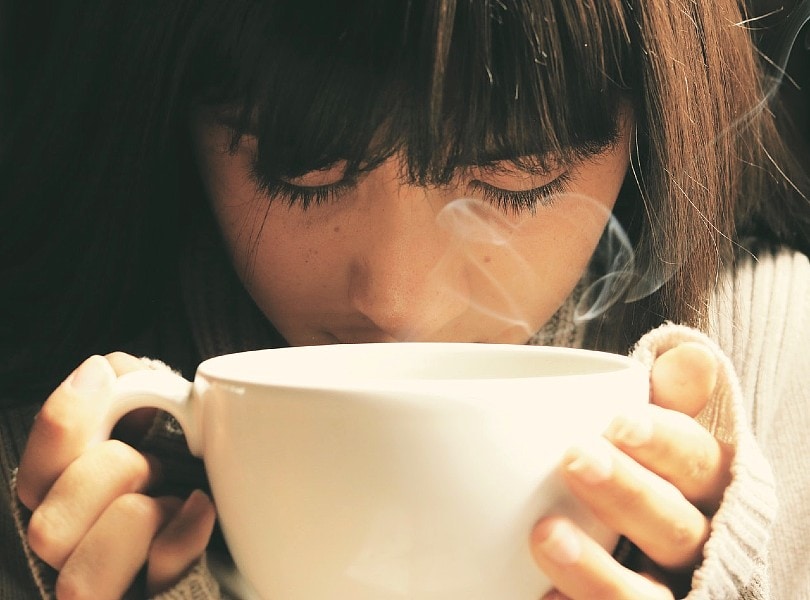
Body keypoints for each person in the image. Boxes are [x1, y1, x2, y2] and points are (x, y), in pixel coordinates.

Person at [1, 0, 808, 598]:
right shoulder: (60, 436)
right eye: (300, 169)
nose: (395, 302)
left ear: (650, 128)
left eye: (514, 176)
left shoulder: (784, 368)